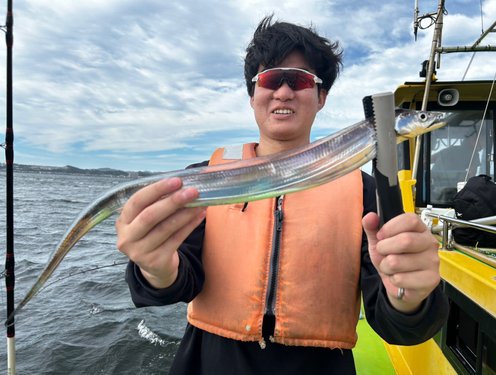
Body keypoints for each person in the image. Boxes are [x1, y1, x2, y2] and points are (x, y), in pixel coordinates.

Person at [116, 16, 449, 375]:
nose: (284, 92)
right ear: (252, 95)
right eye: (272, 79)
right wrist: (155, 269)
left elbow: (395, 321)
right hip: (209, 362)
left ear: (321, 97)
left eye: (301, 80)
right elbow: (175, 281)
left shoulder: (368, 193)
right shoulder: (209, 178)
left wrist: (410, 298)